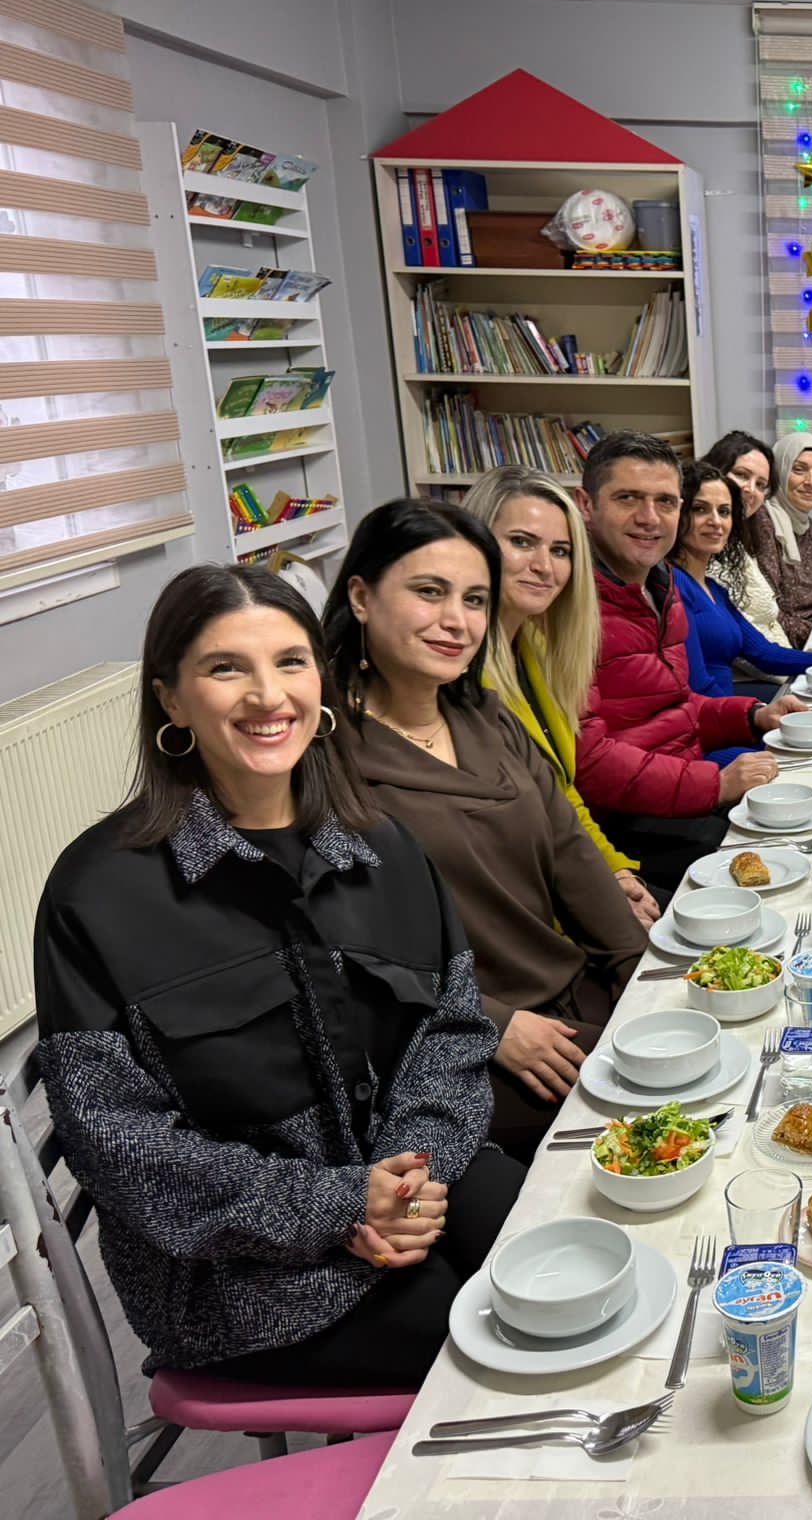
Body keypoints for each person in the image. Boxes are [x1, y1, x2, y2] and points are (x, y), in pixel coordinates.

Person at [34, 564, 516, 1387]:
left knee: (570, 1269)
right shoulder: (99, 893)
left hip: (410, 1185)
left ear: (320, 681)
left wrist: (408, 1168)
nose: (269, 696)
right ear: (172, 700)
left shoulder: (382, 847)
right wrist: (338, 1206)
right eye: (228, 668)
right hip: (241, 1274)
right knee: (499, 1347)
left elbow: (452, 1032)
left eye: (291, 662)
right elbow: (122, 1146)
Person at [324, 500, 649, 1161]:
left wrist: (640, 968)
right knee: (652, 1138)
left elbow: (569, 852)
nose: (457, 620)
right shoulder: (326, 756)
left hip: (569, 992)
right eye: (428, 592)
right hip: (461, 1048)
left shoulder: (484, 717)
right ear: (361, 596)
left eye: (474, 599)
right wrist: (493, 1024)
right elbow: (346, 952)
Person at [572, 431, 804, 890]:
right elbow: (590, 761)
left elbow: (683, 705)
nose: (649, 518)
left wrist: (755, 716)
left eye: (665, 501)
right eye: (627, 499)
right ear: (585, 505)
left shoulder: (662, 586)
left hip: (684, 791)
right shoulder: (572, 610)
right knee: (791, 863)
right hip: (632, 822)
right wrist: (714, 784)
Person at [459, 464, 658, 927]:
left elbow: (561, 793)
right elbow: (505, 848)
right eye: (522, 542)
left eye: (561, 550)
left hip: (576, 875)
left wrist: (616, 868)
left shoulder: (536, 647)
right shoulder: (459, 676)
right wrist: (602, 892)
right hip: (530, 914)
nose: (544, 567)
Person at [671, 459, 812, 715]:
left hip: (728, 718)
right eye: (700, 509)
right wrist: (756, 716)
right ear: (677, 514)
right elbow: (698, 689)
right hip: (712, 730)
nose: (716, 522)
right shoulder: (675, 586)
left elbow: (764, 653)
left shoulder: (713, 588)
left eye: (724, 512)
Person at [702, 429, 793, 691]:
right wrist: (790, 677)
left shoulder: (736, 544)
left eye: (761, 484)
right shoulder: (702, 549)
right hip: (737, 683)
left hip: (769, 672)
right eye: (741, 475)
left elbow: (769, 621)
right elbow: (742, 647)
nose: (749, 489)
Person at [754, 430, 812, 648]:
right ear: (779, 471)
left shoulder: (808, 527)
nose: (811, 482)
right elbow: (766, 614)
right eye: (799, 470)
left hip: (809, 632)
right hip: (781, 644)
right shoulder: (763, 521)